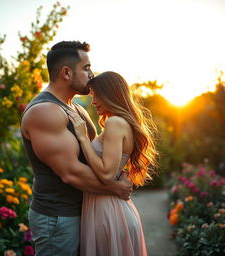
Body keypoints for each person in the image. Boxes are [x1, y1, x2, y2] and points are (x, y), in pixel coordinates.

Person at [20, 41, 133, 256]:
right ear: (66, 72)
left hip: (84, 211)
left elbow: (99, 152)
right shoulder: (45, 112)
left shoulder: (76, 108)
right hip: (58, 218)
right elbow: (70, 172)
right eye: (86, 67)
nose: (92, 74)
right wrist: (115, 188)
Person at [68, 71, 158, 256]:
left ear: (111, 94)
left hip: (108, 212)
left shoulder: (115, 123)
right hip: (111, 209)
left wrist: (84, 139)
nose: (93, 102)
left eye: (96, 95)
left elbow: (107, 174)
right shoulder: (120, 122)